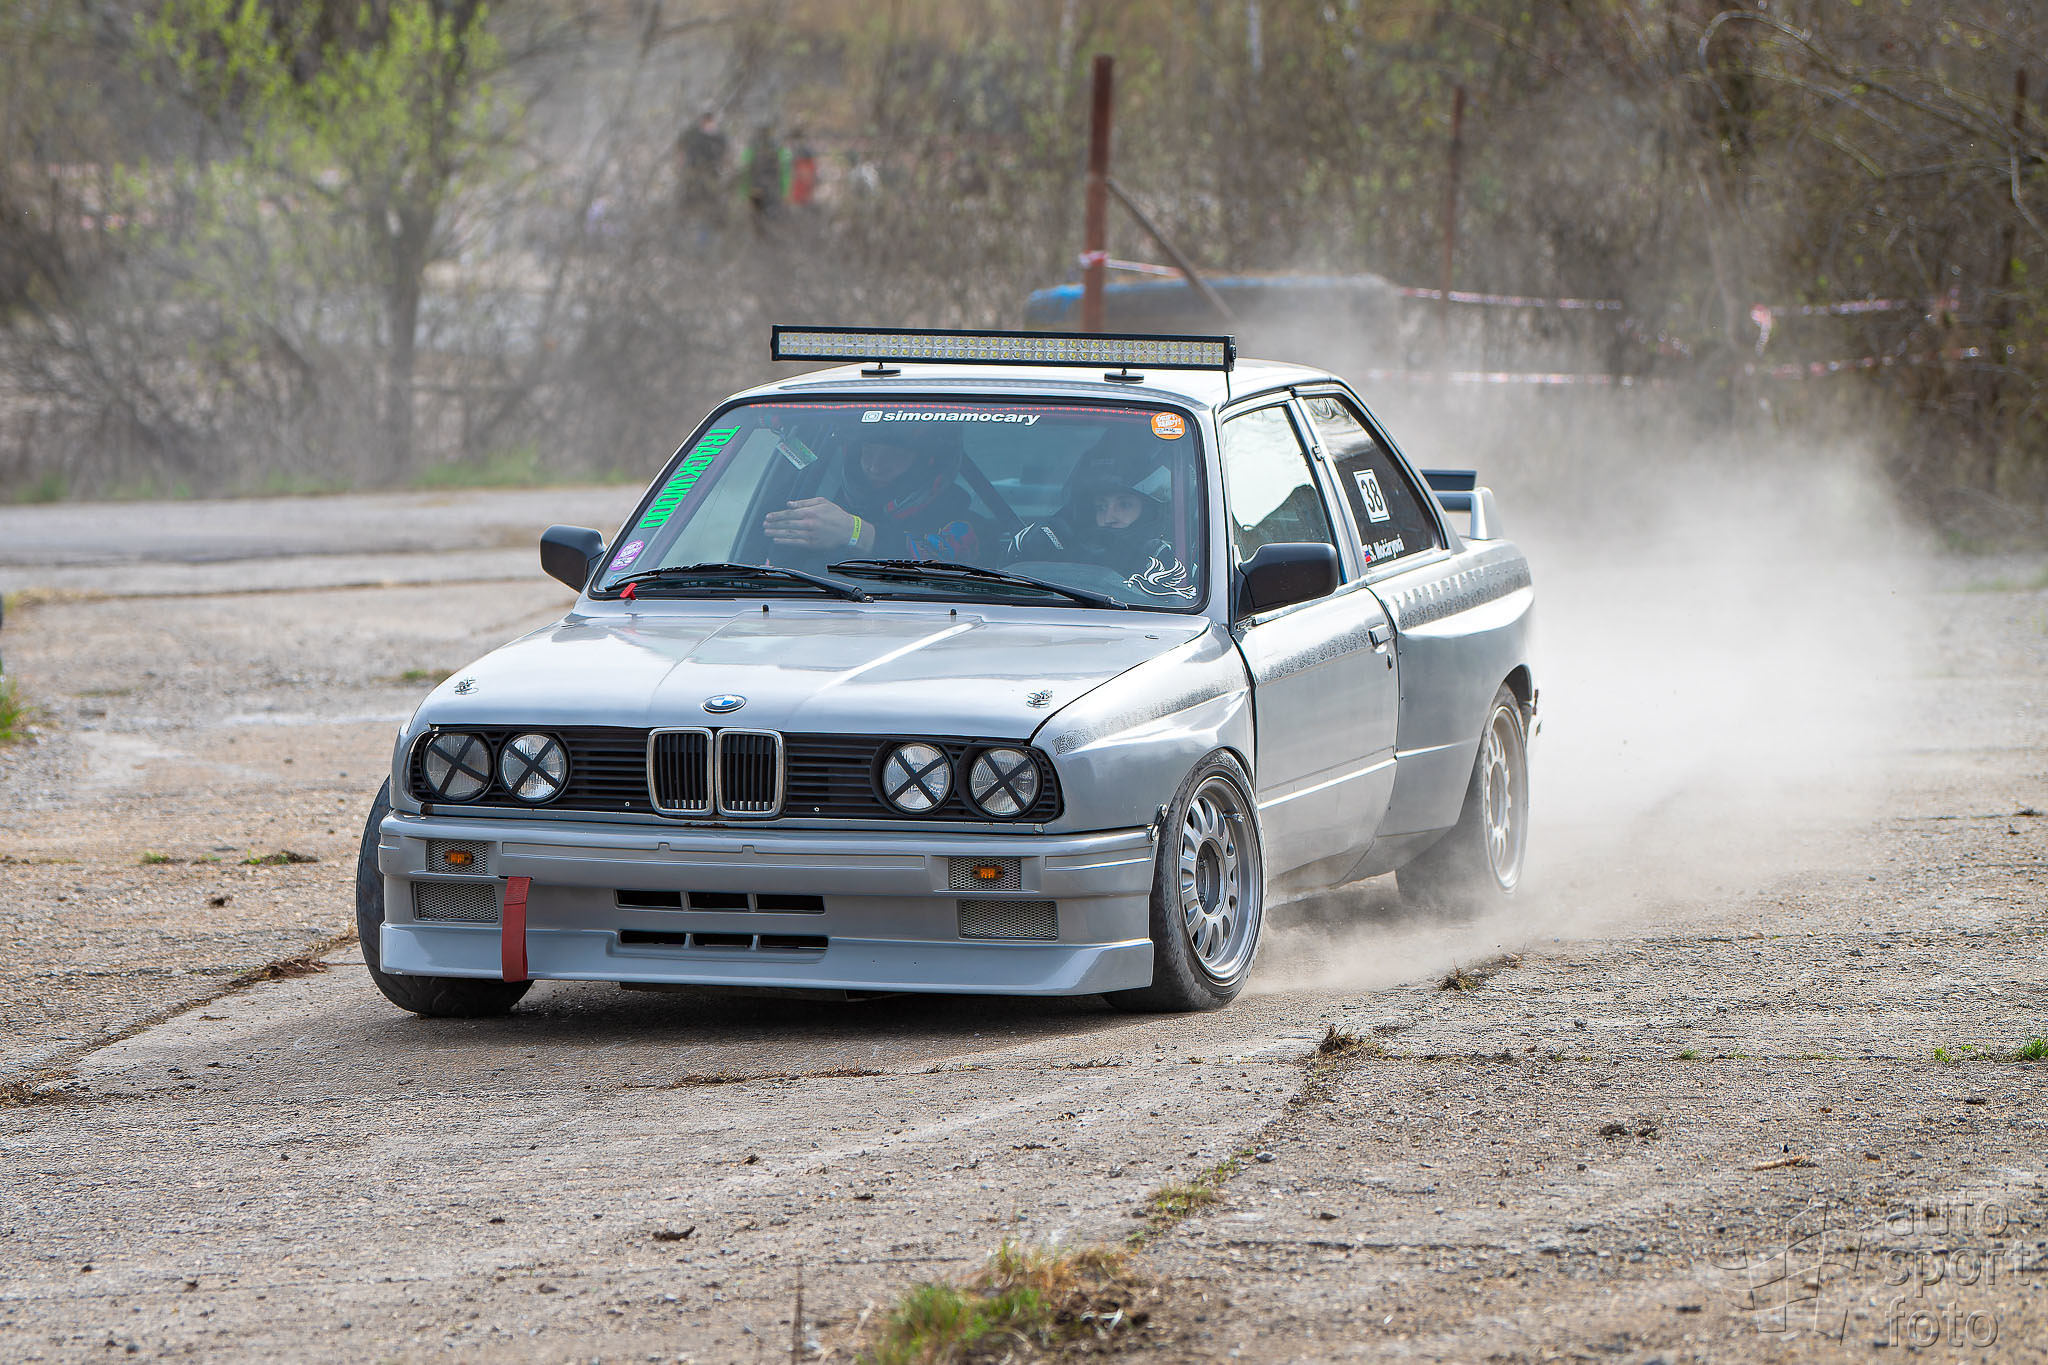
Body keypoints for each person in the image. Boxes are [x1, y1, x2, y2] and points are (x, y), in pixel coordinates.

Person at [763, 428, 978, 562]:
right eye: (868, 450)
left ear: (927, 465)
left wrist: (856, 532)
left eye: (895, 455)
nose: (875, 467)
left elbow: (946, 566)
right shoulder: (818, 510)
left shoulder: (964, 524)